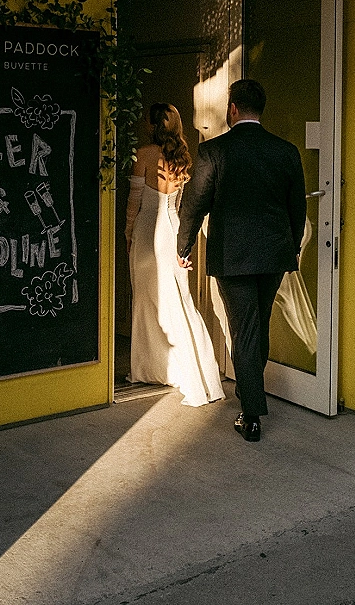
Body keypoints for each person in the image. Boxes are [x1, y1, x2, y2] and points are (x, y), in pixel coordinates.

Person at [177, 80, 306, 441]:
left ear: (232, 108)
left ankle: (251, 414)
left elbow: (194, 204)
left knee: (245, 329)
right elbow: (298, 208)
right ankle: (250, 393)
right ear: (259, 109)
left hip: (232, 255)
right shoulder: (285, 151)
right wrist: (291, 247)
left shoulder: (214, 151)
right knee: (257, 326)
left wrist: (183, 246)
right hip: (274, 254)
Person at [125, 103, 225, 407]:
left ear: (152, 125)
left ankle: (150, 368)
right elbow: (182, 203)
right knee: (179, 302)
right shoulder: (182, 158)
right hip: (173, 228)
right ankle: (193, 374)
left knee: (146, 300)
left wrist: (128, 233)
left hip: (147, 231)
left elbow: (134, 202)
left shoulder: (143, 155)